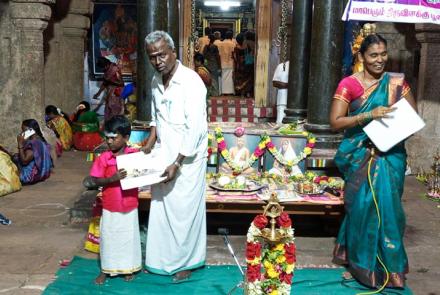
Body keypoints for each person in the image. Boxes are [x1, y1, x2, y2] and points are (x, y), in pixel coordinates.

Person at [329, 34, 417, 289]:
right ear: (362, 57)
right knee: (363, 211)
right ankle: (362, 265)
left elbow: (412, 118)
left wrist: (390, 135)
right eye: (373, 55)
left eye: (383, 54)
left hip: (390, 156)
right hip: (361, 155)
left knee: (391, 213)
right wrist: (370, 114)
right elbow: (335, 122)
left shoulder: (397, 82)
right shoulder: (349, 84)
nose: (379, 60)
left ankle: (390, 269)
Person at [143, 30, 208, 281]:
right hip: (164, 153)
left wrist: (177, 162)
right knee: (162, 207)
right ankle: (161, 258)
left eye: (161, 55)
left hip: (188, 158)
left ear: (173, 52)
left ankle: (186, 262)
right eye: (152, 57)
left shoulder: (191, 81)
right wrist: (151, 137)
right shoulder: (155, 80)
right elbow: (155, 113)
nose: (158, 61)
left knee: (184, 212)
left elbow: (197, 127)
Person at [90, 115, 141, 285]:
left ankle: (128, 267)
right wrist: (112, 179)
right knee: (109, 238)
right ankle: (106, 269)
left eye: (114, 137)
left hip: (129, 205)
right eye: (108, 137)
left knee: (128, 238)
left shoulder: (134, 156)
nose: (110, 141)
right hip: (110, 206)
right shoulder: (104, 158)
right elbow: (94, 180)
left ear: (126, 138)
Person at [10, 119, 52, 184]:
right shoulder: (40, 140)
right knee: (15, 156)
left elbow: (24, 161)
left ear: (31, 130)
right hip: (41, 174)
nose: (22, 133)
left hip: (28, 176)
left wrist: (20, 143)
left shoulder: (33, 144)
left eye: (24, 130)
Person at [93, 57, 125, 122]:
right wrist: (98, 94)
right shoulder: (108, 69)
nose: (103, 69)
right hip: (111, 92)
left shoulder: (114, 69)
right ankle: (109, 124)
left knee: (114, 108)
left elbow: (106, 82)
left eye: (104, 67)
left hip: (117, 92)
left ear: (107, 64)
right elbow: (105, 83)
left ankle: (114, 124)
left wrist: (98, 94)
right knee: (109, 108)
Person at [217, 30, 235, 95]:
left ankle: (223, 92)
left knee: (223, 78)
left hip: (222, 63)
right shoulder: (233, 44)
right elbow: (234, 54)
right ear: (231, 36)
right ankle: (230, 92)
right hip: (231, 63)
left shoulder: (221, 44)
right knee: (230, 78)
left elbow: (219, 54)